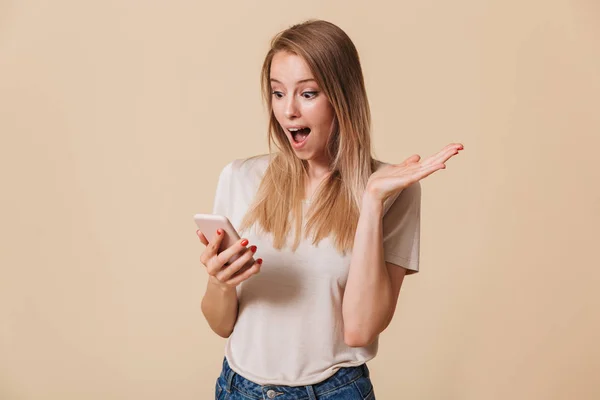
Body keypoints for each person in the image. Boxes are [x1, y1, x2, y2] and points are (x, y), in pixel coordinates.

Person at [196, 19, 463, 400]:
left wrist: (370, 204)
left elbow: (359, 330)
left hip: (333, 392)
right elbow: (221, 324)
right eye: (277, 93)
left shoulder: (393, 189)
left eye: (307, 94)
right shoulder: (240, 178)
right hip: (237, 387)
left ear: (341, 97)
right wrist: (219, 282)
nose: (287, 111)